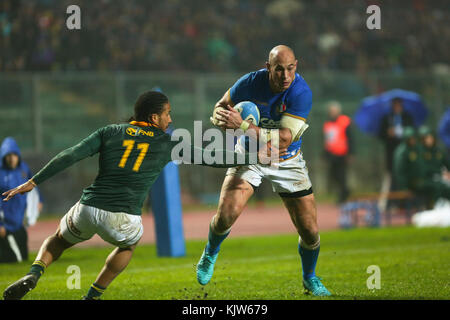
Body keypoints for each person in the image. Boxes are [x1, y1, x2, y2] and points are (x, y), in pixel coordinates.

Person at [2, 91, 265, 300]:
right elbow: (212, 158)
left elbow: (70, 155)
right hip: (124, 218)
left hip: (88, 208)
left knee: (57, 241)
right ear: (153, 118)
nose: (170, 120)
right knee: (128, 245)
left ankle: (35, 273)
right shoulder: (167, 143)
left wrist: (33, 181)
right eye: (167, 114)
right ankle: (93, 295)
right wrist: (254, 156)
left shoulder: (109, 132)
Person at [201, 45, 331, 296]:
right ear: (268, 67)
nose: (285, 76)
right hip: (249, 154)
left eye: (290, 69)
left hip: (287, 158)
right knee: (226, 214)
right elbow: (221, 106)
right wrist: (219, 117)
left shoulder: (301, 91)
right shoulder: (249, 83)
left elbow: (283, 139)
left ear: (297, 66)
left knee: (310, 231)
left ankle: (309, 277)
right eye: (279, 69)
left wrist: (242, 125)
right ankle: (210, 253)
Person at [0, 137, 43, 263]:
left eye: (14, 154)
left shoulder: (24, 168)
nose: (11, 158)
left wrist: (39, 200)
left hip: (19, 223)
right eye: (8, 155)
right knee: (14, 259)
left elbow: (33, 185)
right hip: (4, 225)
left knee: (24, 257)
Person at [393, 127, 450, 210]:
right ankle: (434, 208)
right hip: (415, 182)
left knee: (442, 187)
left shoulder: (418, 149)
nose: (412, 140)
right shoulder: (403, 151)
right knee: (437, 187)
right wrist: (403, 187)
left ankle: (441, 208)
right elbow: (400, 172)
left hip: (426, 180)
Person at [322, 101, 353, 204]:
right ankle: (345, 192)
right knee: (334, 176)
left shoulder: (345, 121)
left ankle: (343, 196)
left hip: (342, 154)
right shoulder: (327, 124)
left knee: (342, 175)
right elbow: (327, 140)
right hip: (332, 154)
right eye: (331, 111)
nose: (332, 113)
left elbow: (351, 138)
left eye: (334, 111)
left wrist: (351, 153)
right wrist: (325, 154)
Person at [378, 98, 414, 176]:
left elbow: (412, 130)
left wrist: (405, 132)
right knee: (392, 169)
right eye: (395, 105)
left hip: (405, 145)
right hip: (391, 147)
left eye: (399, 105)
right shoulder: (387, 118)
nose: (397, 107)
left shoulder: (407, 117)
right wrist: (388, 133)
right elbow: (381, 133)